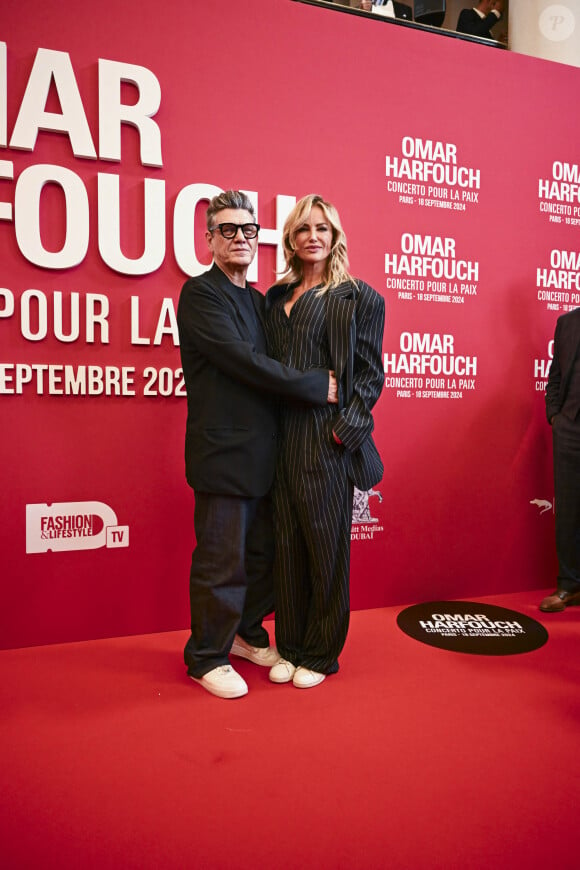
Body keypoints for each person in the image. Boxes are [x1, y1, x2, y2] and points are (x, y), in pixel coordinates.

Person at [177, 190, 338, 699]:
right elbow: (244, 363)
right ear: (209, 239)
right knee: (221, 562)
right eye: (228, 229)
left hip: (270, 456)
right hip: (223, 456)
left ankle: (246, 635)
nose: (241, 238)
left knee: (264, 558)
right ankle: (206, 656)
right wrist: (316, 384)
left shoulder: (258, 298)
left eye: (249, 230)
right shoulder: (200, 294)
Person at [265, 194, 385, 689]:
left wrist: (344, 432)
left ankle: (320, 651)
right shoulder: (275, 297)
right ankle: (290, 646)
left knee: (326, 549)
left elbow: (369, 376)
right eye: (302, 229)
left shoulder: (359, 297)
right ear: (290, 239)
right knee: (287, 546)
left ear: (334, 236)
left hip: (325, 439)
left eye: (322, 228)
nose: (312, 235)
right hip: (277, 438)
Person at [540, 307, 580, 612]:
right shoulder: (566, 323)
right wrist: (556, 415)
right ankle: (568, 585)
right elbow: (555, 375)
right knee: (567, 508)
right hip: (569, 428)